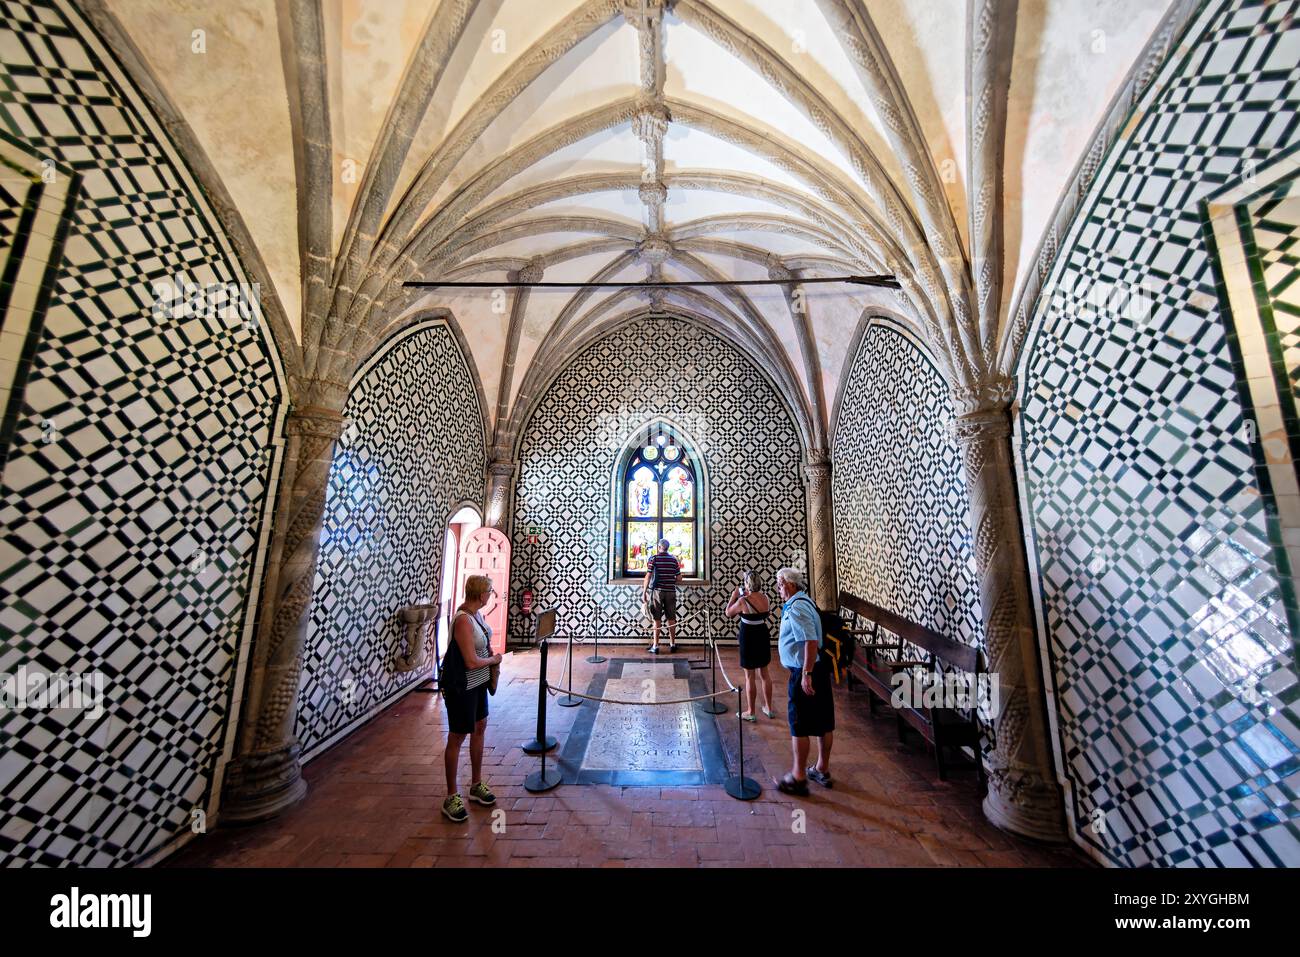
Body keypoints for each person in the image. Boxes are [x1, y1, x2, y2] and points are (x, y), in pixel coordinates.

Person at [440, 574, 503, 822]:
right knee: (457, 736)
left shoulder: (478, 616)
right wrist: (493, 660)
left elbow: (481, 647)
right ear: (480, 594)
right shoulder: (463, 620)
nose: (491, 595)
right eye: (490, 591)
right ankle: (451, 796)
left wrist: (488, 656)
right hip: (461, 686)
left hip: (478, 685)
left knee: (479, 729)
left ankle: (476, 783)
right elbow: (470, 661)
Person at [773, 567, 834, 795]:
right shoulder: (805, 601)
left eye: (779, 585)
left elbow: (810, 640)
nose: (778, 589)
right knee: (823, 721)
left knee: (799, 724)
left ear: (789, 584)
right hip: (816, 669)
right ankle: (821, 768)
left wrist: (806, 674)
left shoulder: (797, 607)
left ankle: (798, 777)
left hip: (805, 671)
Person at [724, 569, 774, 721]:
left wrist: (734, 596)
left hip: (748, 636)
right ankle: (769, 708)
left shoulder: (742, 601)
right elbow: (767, 613)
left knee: (749, 676)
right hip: (762, 634)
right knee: (765, 674)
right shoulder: (765, 598)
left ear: (747, 584)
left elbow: (728, 613)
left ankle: (751, 711)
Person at [642, 538, 682, 653]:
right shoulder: (673, 560)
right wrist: (669, 579)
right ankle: (673, 644)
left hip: (657, 592)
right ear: (667, 548)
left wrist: (644, 592)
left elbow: (648, 576)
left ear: (659, 547)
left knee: (657, 619)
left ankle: (655, 646)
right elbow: (679, 578)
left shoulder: (653, 559)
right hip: (671, 591)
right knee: (671, 619)